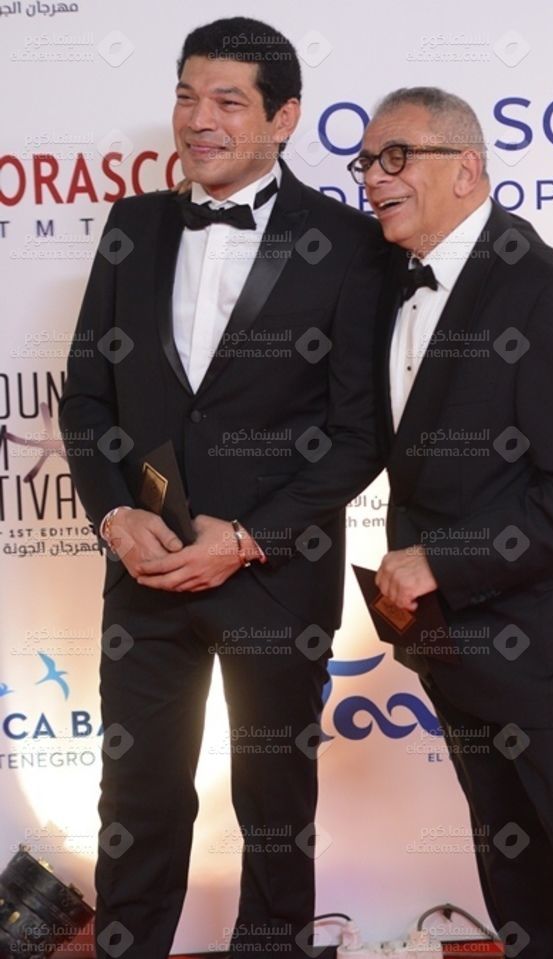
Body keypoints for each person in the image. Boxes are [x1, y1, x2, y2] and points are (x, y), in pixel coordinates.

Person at [60, 17, 385, 959]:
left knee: (275, 806)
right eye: (186, 96)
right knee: (137, 797)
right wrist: (115, 513)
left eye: (227, 101)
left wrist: (245, 536)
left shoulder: (350, 244)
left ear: (284, 118)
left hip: (275, 574)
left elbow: (360, 432)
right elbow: (86, 394)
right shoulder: (133, 227)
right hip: (147, 571)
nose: (198, 119)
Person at [351, 87, 553, 957]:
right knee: (507, 851)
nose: (374, 178)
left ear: (467, 169)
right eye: (366, 162)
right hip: (453, 637)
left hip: (544, 638)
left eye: (397, 156)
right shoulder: (392, 279)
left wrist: (441, 557)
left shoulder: (539, 290)